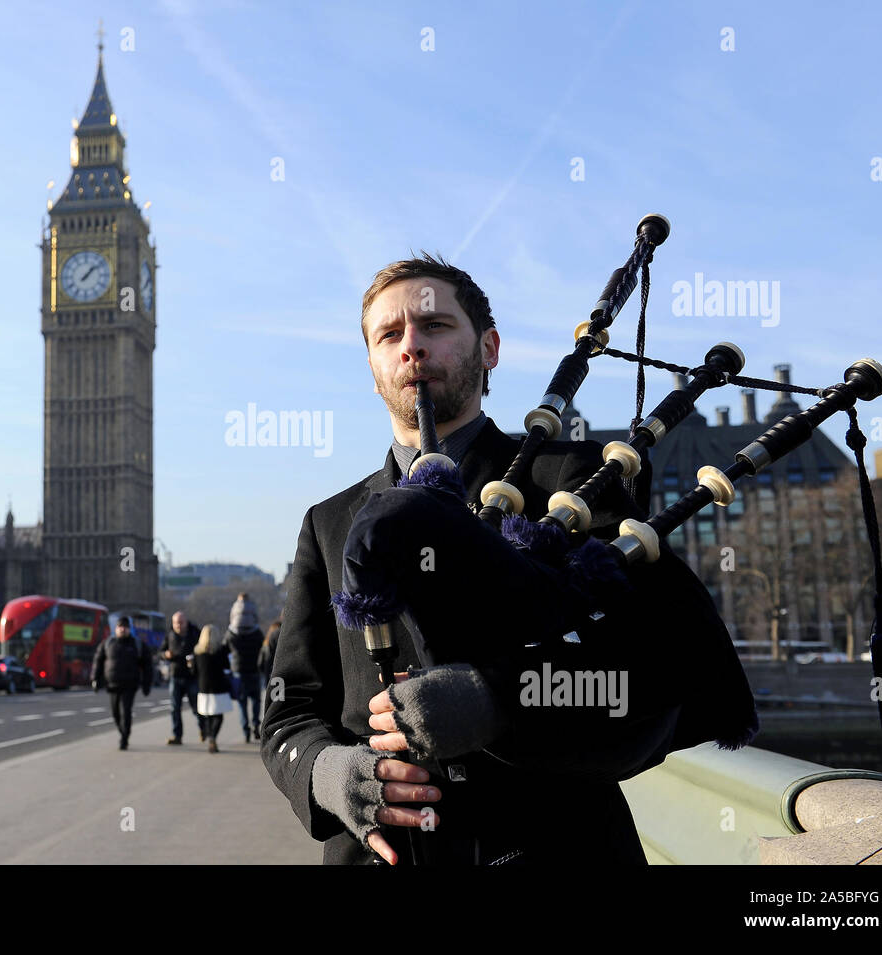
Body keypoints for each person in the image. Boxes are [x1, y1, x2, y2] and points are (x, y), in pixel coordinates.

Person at [260, 252, 757, 865]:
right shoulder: (329, 522)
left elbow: (647, 674)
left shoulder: (579, 480)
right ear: (372, 366)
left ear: (489, 348)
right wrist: (329, 772)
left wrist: (498, 701)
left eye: (435, 326)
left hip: (555, 848)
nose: (411, 346)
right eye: (389, 334)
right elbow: (291, 707)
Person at [92, 616, 153, 750]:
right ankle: (123, 731)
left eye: (125, 627)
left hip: (130, 685)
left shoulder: (136, 644)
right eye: (120, 627)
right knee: (115, 713)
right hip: (112, 684)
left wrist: (146, 684)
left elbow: (147, 665)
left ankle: (124, 738)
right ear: (116, 628)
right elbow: (98, 661)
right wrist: (95, 679)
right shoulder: (108, 643)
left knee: (126, 711)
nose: (122, 629)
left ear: (129, 629)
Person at [161, 611, 206, 745]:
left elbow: (203, 648)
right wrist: (165, 654)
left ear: (186, 622)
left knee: (196, 708)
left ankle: (204, 730)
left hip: (192, 676)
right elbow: (160, 652)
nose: (178, 625)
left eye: (181, 622)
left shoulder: (195, 633)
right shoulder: (169, 635)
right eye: (176, 623)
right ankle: (177, 735)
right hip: (176, 676)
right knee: (175, 708)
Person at [225, 594, 265, 743]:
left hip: (238, 669)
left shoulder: (231, 633)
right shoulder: (256, 632)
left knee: (242, 702)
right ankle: (256, 724)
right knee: (255, 700)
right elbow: (263, 646)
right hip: (254, 668)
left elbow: (225, 648)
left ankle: (245, 729)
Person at [191, 624, 232, 753]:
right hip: (219, 686)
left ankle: (209, 736)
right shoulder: (221, 650)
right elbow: (227, 667)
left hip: (203, 687)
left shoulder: (197, 652)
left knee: (207, 715)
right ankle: (213, 737)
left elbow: (194, 672)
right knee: (218, 716)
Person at [258, 617, 281, 724]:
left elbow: (261, 663)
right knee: (280, 704)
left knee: (272, 705)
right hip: (280, 676)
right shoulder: (281, 637)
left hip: (272, 677)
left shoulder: (266, 643)